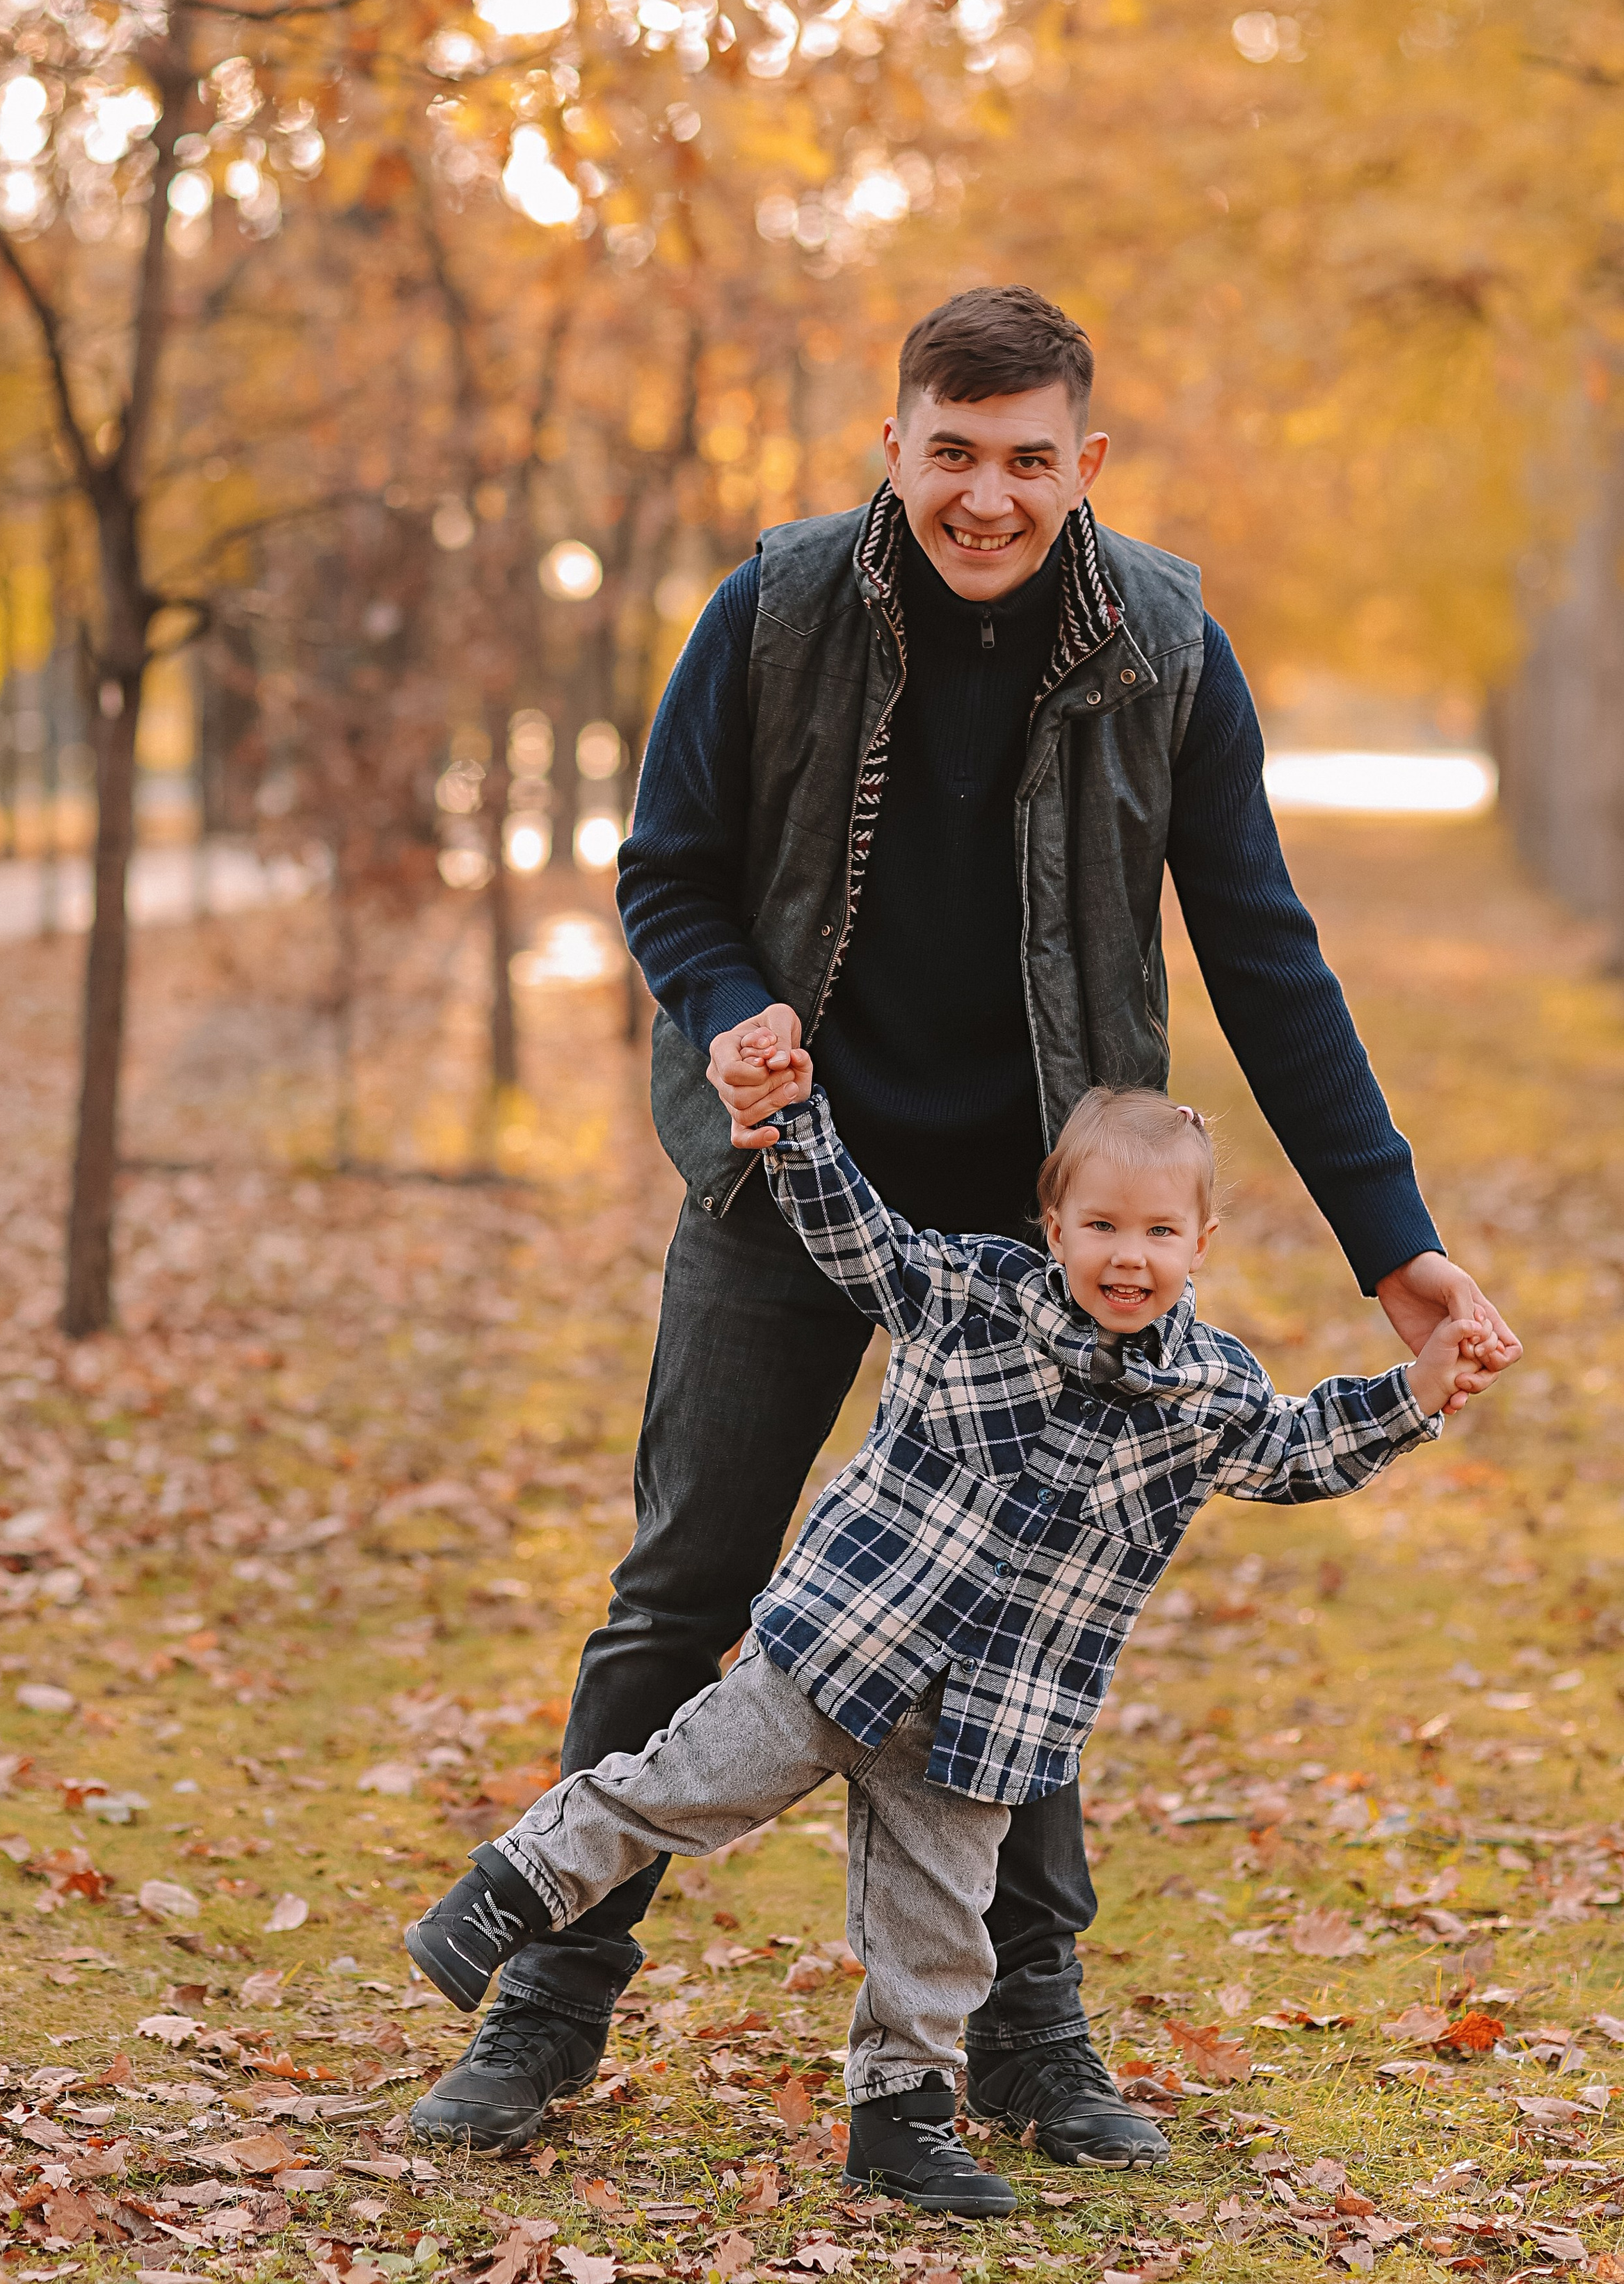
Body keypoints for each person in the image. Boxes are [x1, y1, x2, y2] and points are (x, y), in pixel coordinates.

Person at [411, 282, 1521, 2162]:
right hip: (796, 1181)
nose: (986, 498)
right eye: (952, 454)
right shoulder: (772, 612)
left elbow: (1264, 955)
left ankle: (1026, 2039)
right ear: (894, 445)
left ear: (1084, 464)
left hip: (1049, 1230)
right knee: (685, 1587)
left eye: (1027, 461)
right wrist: (729, 1004)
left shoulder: (1165, 644)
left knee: (1029, 1614)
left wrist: (1390, 1244)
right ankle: (543, 2013)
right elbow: (663, 871)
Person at [405, 1083, 1502, 2212]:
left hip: (987, 1721)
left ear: (1203, 1243)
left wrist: (1415, 1392)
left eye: (1160, 1233)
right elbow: (853, 1233)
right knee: (673, 1791)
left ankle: (902, 2123)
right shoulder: (969, 1294)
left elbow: (1296, 1450)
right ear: (1055, 1227)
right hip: (837, 1651)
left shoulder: (1207, 1391)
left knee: (938, 1934)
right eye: (1104, 1228)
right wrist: (797, 1124)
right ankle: (506, 1894)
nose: (1130, 1259)